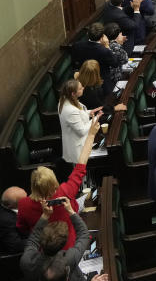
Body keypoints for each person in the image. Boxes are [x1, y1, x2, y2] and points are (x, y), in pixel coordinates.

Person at [16, 118, 99, 251]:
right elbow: (82, 163)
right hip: (73, 246)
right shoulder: (65, 192)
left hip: (45, 252)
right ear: (54, 182)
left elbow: (22, 228)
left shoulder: (23, 205)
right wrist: (91, 135)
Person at [19, 193, 91, 281]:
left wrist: (45, 215)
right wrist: (70, 210)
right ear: (63, 245)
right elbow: (84, 234)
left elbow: (33, 239)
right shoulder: (67, 260)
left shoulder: (27, 260)